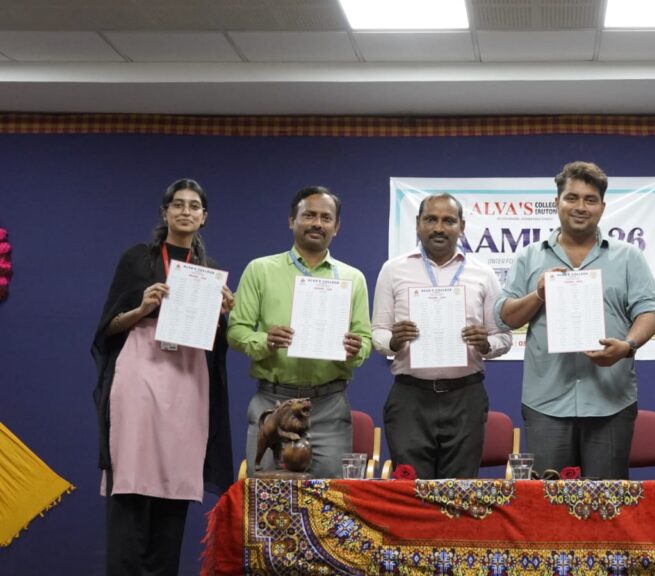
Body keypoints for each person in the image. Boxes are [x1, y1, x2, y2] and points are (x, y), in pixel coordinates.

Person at [91, 178, 234, 575]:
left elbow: (214, 343)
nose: (186, 211)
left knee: (174, 487)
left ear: (204, 217)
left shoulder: (207, 272)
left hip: (187, 380)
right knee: (131, 484)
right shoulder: (138, 259)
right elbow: (107, 328)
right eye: (178, 204)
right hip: (139, 375)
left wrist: (223, 315)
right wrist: (141, 309)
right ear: (165, 212)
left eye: (194, 206)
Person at [495, 161, 655, 479]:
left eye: (590, 199)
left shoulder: (629, 257)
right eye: (571, 198)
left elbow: (650, 311)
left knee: (608, 501)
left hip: (610, 401)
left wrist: (627, 346)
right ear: (557, 202)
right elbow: (505, 317)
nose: (580, 207)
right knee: (548, 502)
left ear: (602, 207)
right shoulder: (529, 257)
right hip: (546, 403)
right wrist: (538, 294)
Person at [228, 186, 372, 478]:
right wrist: (266, 341)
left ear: (337, 227)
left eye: (326, 218)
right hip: (273, 404)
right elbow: (236, 331)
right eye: (309, 215)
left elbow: (365, 339)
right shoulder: (260, 270)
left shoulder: (352, 278)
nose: (317, 223)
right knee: (267, 496)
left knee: (331, 497)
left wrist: (356, 350)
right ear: (291, 221)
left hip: (329, 406)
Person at [371, 193, 512, 479]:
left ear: (462, 226)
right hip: (410, 397)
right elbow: (378, 332)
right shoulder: (393, 270)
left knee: (460, 493)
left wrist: (486, 344)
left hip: (466, 397)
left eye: (448, 221)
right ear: (417, 224)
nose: (439, 228)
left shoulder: (484, 274)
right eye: (430, 220)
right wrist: (394, 342)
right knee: (411, 492)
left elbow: (504, 338)